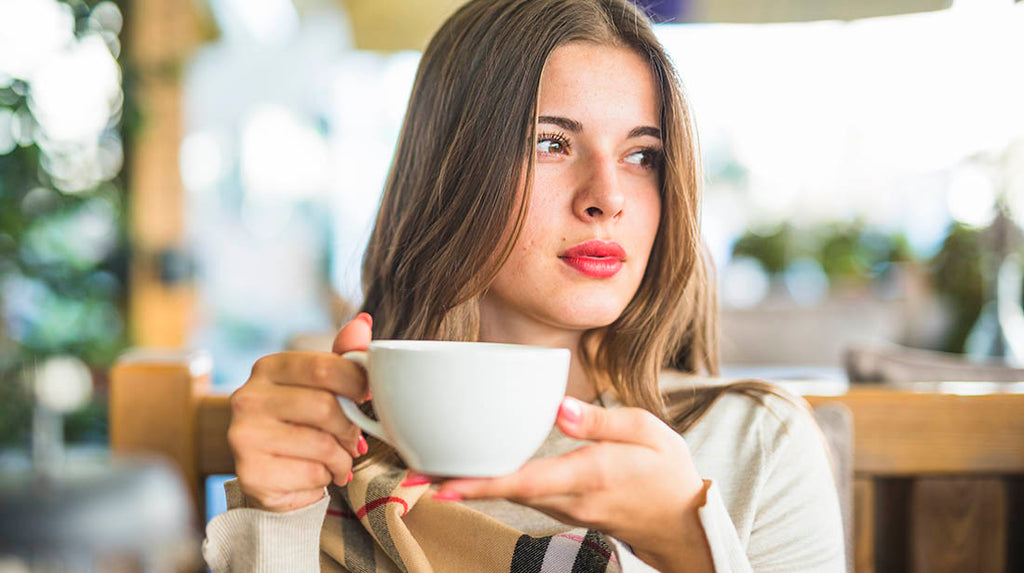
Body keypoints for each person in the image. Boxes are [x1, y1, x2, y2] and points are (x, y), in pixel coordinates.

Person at [202, 0, 846, 571]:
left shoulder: (754, 443)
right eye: (550, 143)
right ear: (450, 173)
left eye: (641, 155)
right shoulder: (331, 442)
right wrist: (278, 512)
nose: (608, 198)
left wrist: (687, 548)